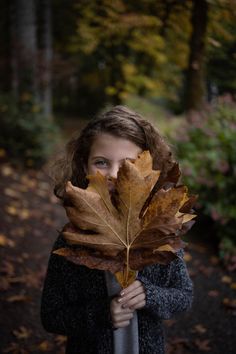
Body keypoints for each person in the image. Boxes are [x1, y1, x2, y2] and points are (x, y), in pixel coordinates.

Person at [41, 105, 193, 354]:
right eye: (101, 162)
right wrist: (101, 313)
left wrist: (150, 295)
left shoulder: (158, 233)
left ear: (148, 169)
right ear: (84, 166)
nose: (113, 174)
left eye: (129, 163)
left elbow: (183, 296)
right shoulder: (72, 240)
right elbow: (51, 316)